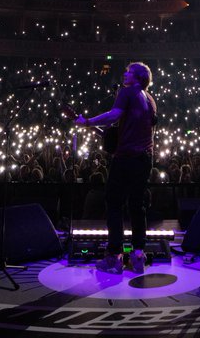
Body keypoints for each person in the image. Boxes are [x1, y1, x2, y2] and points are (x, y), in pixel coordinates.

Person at [75, 61, 158, 274]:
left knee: (114, 204)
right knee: (137, 206)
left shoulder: (127, 92)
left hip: (126, 158)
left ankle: (114, 257)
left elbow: (114, 115)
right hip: (144, 158)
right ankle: (138, 255)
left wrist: (88, 122)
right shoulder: (150, 100)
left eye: (128, 71)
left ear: (138, 77)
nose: (124, 73)